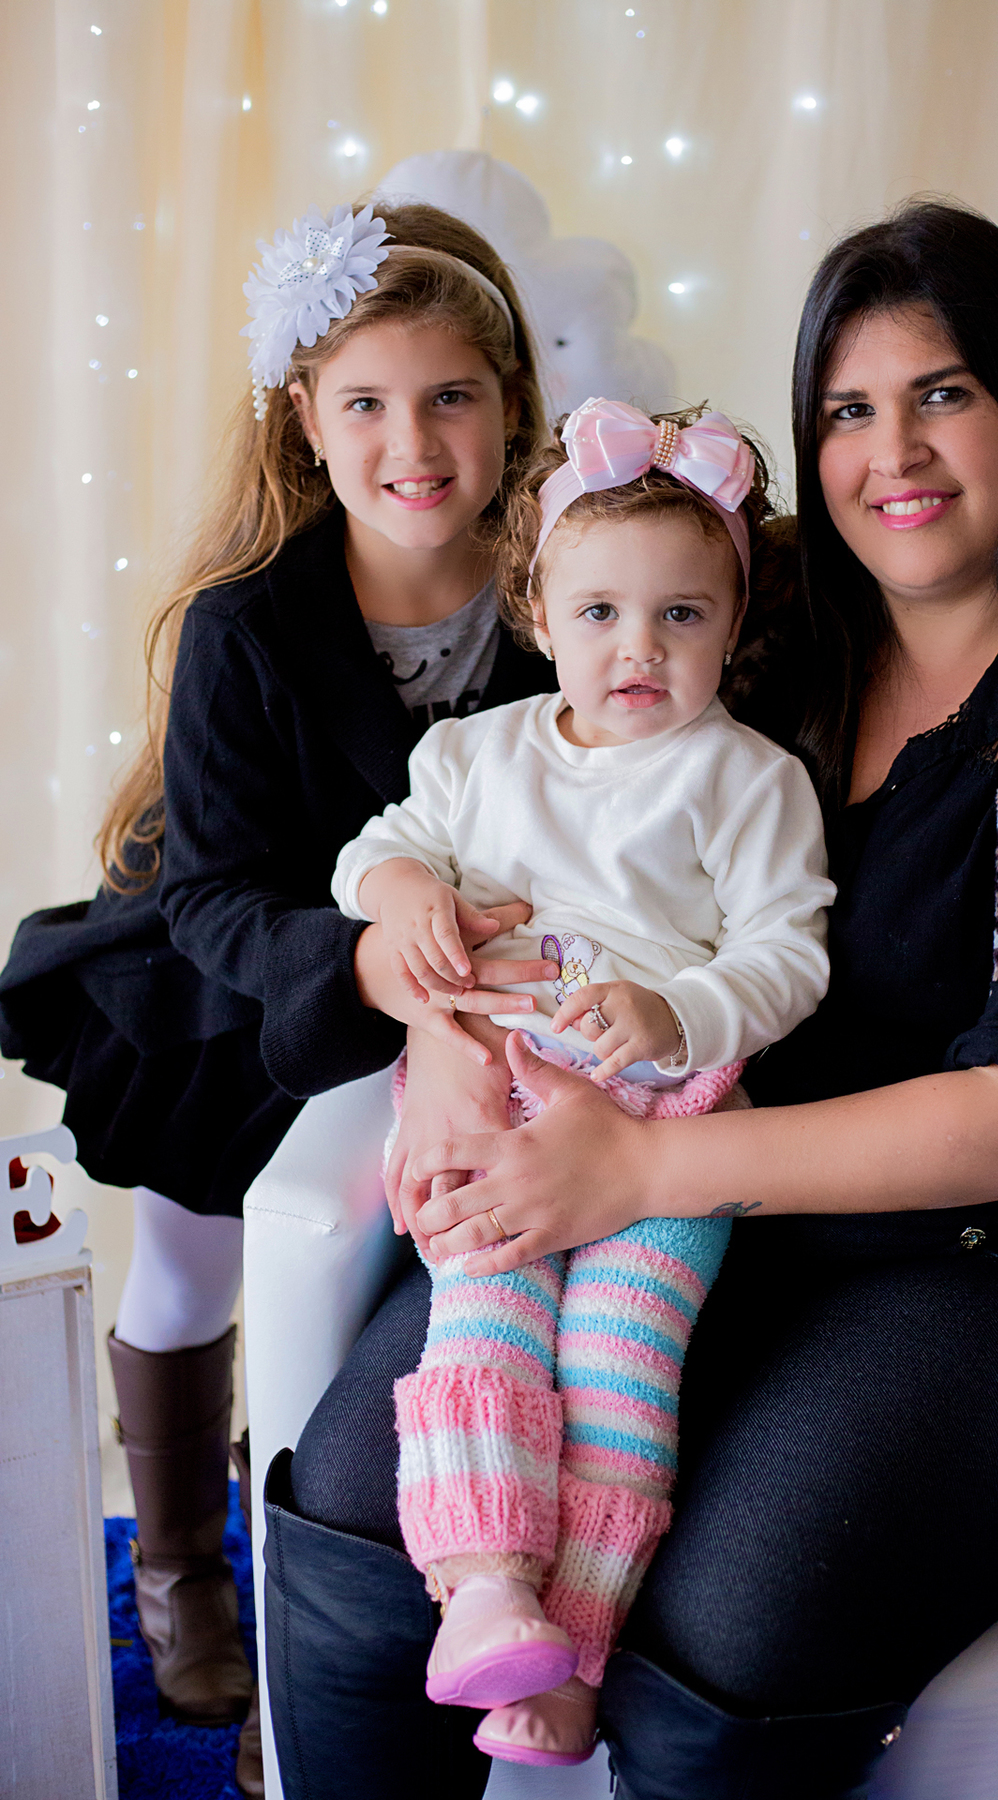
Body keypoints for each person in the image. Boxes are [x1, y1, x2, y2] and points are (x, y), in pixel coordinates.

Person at [266, 198, 998, 1800]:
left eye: (945, 393)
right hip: (640, 1172)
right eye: (848, 410)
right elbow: (514, 851)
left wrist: (641, 1168)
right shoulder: (752, 642)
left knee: (720, 1629)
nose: (894, 452)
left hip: (962, 1267)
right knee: (359, 1507)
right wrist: (444, 1033)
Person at [0, 198, 559, 1792]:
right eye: (366, 403)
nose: (413, 444)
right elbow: (217, 890)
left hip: (452, 1003)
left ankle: (305, 1535)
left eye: (450, 398)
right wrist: (363, 960)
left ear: (511, 406)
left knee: (359, 1295)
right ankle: (181, 1559)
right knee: (194, 1278)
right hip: (233, 992)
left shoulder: (561, 590)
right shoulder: (247, 624)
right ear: (306, 421)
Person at [330, 396, 834, 1767]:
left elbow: (789, 956)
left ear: (733, 623)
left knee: (619, 1367)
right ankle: (483, 1588)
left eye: (682, 615)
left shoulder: (747, 782)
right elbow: (375, 851)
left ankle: (574, 1649)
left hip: (668, 1123)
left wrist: (677, 1010)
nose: (639, 647)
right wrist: (403, 900)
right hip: (493, 1102)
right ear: (540, 615)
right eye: (601, 612)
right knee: (482, 1322)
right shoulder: (475, 757)